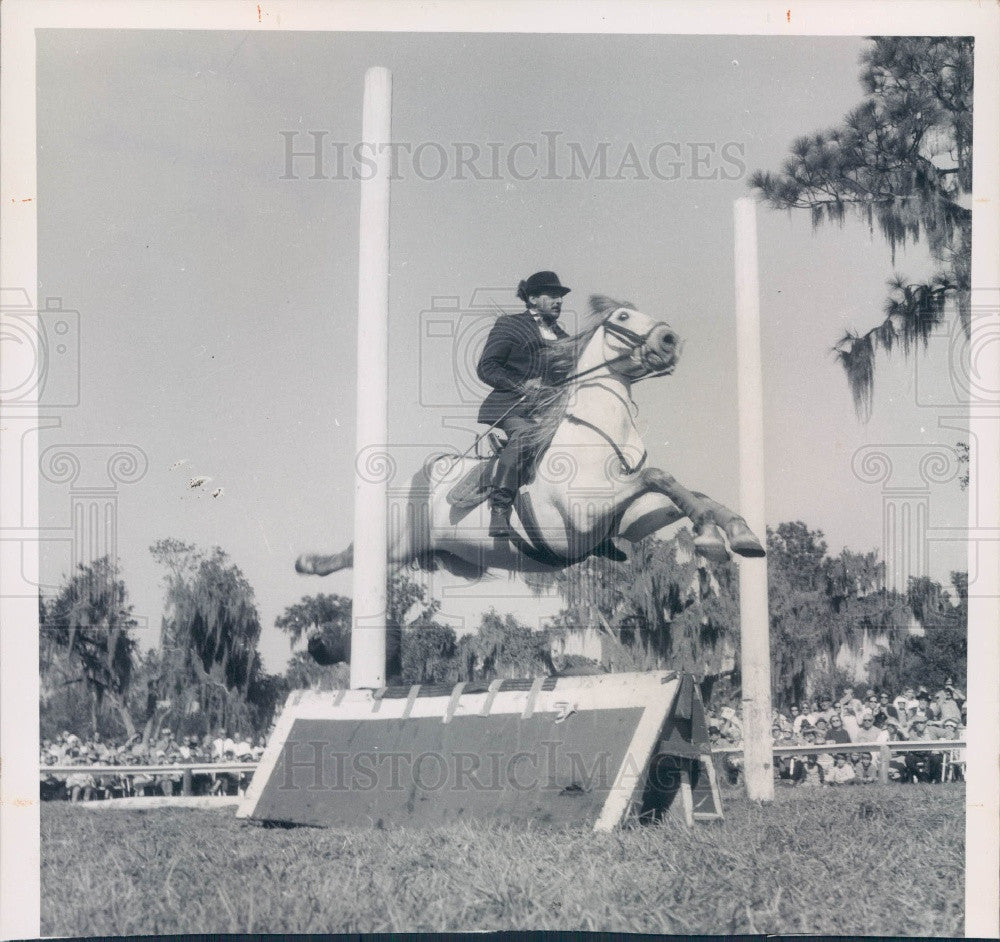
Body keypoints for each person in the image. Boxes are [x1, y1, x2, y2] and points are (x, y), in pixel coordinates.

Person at [476, 271, 572, 540]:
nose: (558, 301)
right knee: (526, 436)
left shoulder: (565, 339)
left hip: (550, 412)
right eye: (551, 296)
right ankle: (499, 507)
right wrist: (522, 385)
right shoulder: (510, 325)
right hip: (513, 406)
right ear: (532, 299)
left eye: (560, 297)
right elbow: (486, 367)